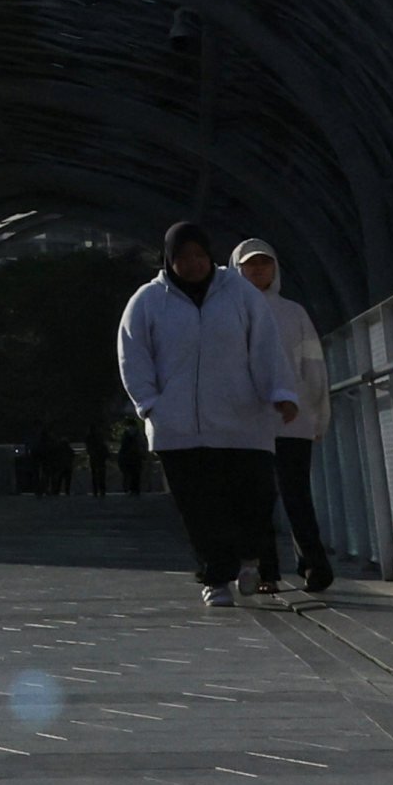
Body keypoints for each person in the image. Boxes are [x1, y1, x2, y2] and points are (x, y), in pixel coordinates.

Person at [115, 222, 302, 608]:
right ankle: (215, 578)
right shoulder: (148, 300)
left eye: (200, 255)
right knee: (198, 507)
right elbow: (132, 355)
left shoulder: (240, 294)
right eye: (184, 258)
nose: (193, 264)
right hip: (180, 428)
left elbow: (265, 346)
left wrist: (280, 393)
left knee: (253, 497)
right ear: (169, 259)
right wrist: (151, 404)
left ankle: (249, 558)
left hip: (243, 421)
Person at [236, 240, 336, 594]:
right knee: (258, 499)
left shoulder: (294, 313)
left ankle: (314, 565)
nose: (259, 270)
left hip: (293, 422)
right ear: (238, 269)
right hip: (248, 423)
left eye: (265, 263)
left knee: (296, 496)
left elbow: (314, 370)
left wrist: (317, 417)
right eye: (251, 265)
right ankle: (267, 572)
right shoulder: (230, 312)